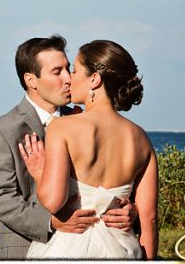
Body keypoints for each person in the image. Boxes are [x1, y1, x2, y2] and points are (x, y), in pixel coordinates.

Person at [0, 35, 138, 260]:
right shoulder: (2, 129)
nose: (68, 79)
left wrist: (131, 210)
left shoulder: (85, 121)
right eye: (57, 72)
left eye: (68, 69)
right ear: (31, 80)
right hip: (21, 249)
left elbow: (113, 181)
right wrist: (50, 222)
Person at [20, 39, 158, 259]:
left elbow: (54, 201)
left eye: (75, 70)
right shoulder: (141, 139)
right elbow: (149, 219)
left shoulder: (62, 127)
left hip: (69, 247)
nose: (69, 78)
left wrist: (39, 172)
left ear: (94, 79)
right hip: (122, 250)